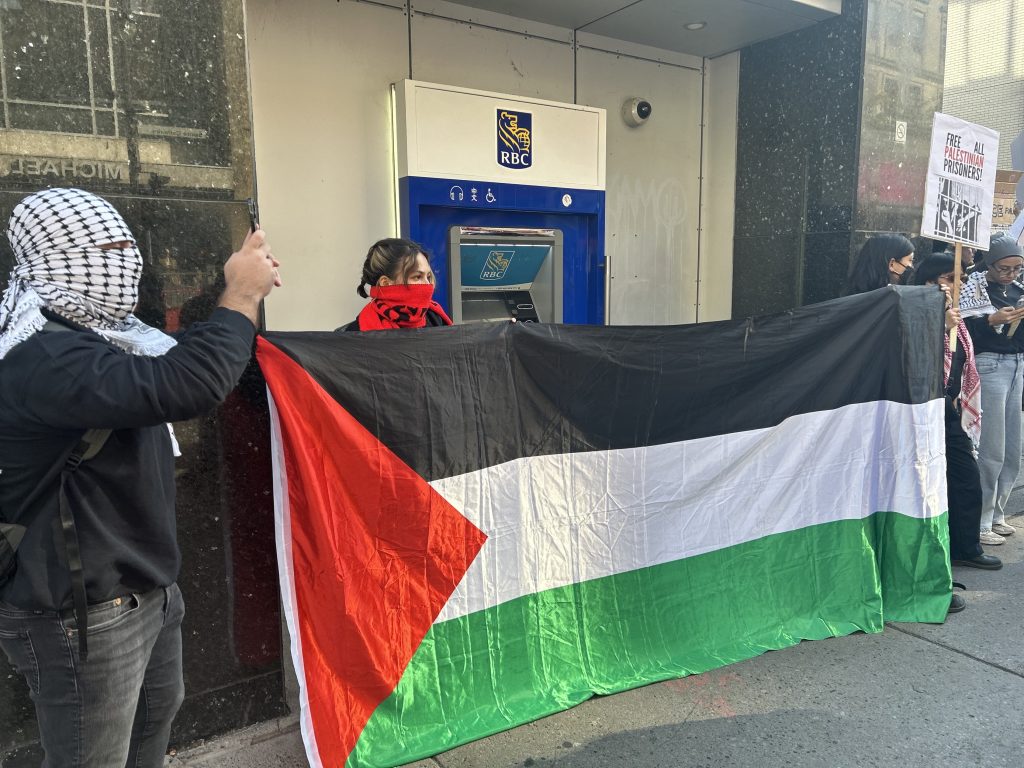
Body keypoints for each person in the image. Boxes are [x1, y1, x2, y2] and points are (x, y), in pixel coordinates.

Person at [0, 187, 281, 767]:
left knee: (149, 734)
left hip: (147, 592)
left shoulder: (109, 335)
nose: (126, 258)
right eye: (107, 246)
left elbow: (178, 359)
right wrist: (241, 294)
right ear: (57, 257)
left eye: (129, 244)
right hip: (83, 612)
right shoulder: (44, 355)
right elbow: (186, 385)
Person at [910, 254, 1002, 589]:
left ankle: (966, 546)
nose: (955, 284)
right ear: (928, 280)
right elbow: (912, 355)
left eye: (959, 277)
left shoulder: (956, 316)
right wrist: (939, 326)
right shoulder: (912, 309)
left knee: (965, 476)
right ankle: (937, 559)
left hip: (949, 408)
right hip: (919, 410)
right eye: (949, 277)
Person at [960, 233, 1024, 546]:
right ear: (990, 264)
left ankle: (997, 513)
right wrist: (991, 320)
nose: (1011, 275)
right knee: (992, 448)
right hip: (989, 366)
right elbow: (963, 330)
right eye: (1004, 269)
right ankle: (981, 519)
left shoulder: (1018, 290)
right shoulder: (973, 286)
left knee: (1013, 447)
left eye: (1017, 269)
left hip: (1017, 365)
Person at [337, 237, 452, 331]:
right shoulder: (355, 335)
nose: (428, 285)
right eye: (417, 277)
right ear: (386, 283)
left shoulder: (436, 319)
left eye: (428, 277)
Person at [846, 233, 915, 294]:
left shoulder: (853, 295)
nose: (912, 266)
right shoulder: (888, 300)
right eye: (910, 260)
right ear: (891, 264)